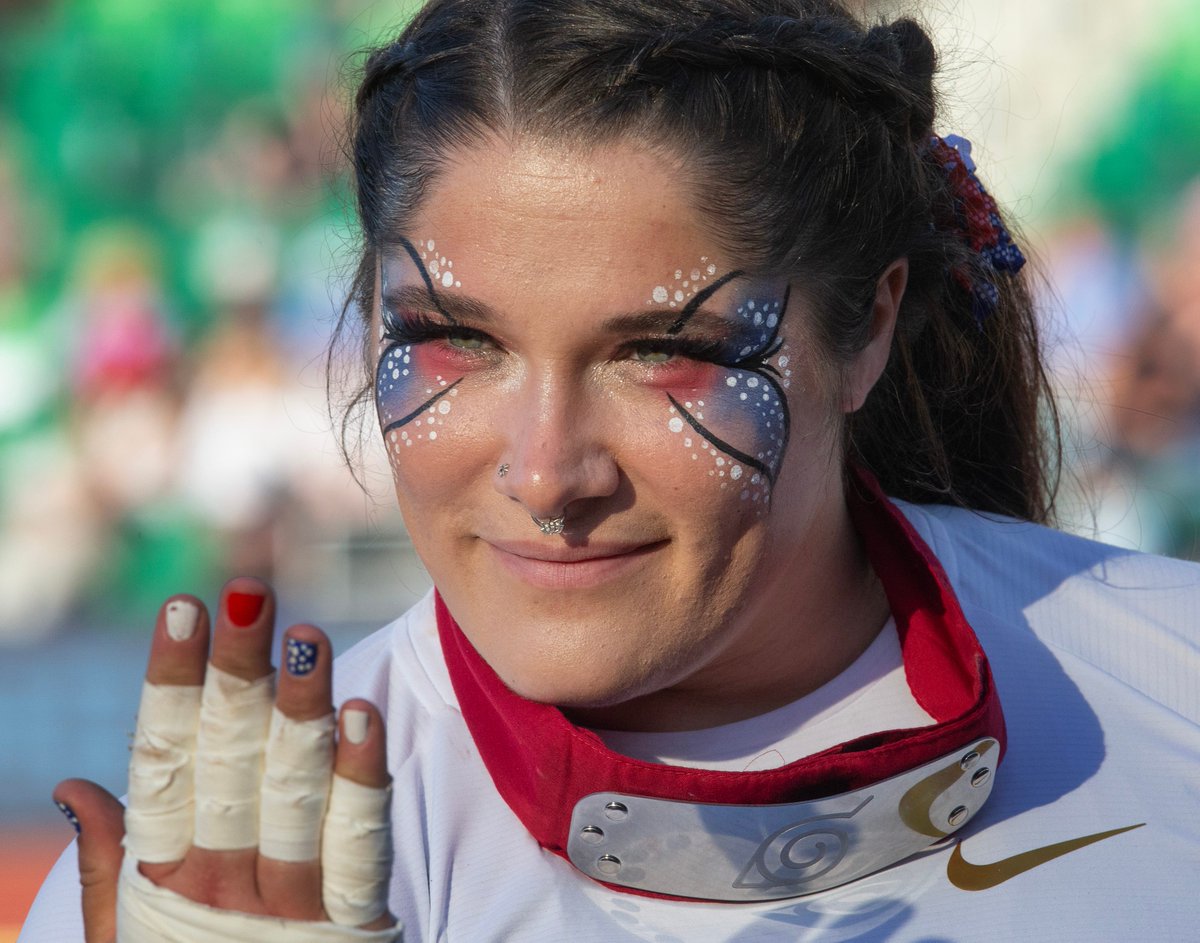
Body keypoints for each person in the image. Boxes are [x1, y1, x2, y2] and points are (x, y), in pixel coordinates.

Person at [20, 0, 1200, 940]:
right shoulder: (218, 881)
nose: (546, 472)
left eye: (662, 351)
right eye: (456, 340)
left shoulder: (1175, 677)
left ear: (870, 325)